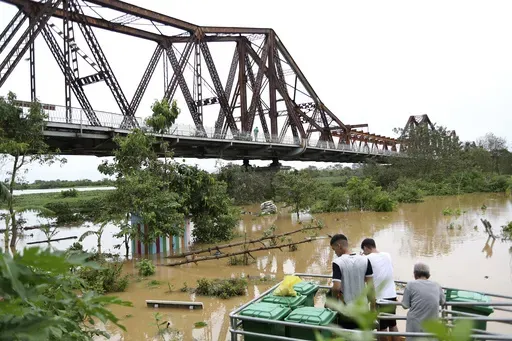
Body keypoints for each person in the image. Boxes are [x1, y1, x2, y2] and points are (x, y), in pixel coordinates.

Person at [330, 234, 375, 329]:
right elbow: (371, 287)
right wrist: (373, 310)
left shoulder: (337, 262)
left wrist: (334, 303)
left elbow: (336, 288)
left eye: (334, 250)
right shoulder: (365, 260)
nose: (335, 253)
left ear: (339, 246)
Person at [361, 238, 399, 341]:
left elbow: (365, 279)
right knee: (392, 324)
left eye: (364, 251)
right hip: (392, 295)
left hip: (380, 298)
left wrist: (362, 257)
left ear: (365, 248)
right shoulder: (387, 255)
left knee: (381, 328)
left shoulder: (367, 259)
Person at [401, 262, 445, 341]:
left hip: (415, 325)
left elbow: (405, 305)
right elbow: (443, 301)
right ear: (428, 274)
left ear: (415, 274)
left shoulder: (410, 284)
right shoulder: (436, 285)